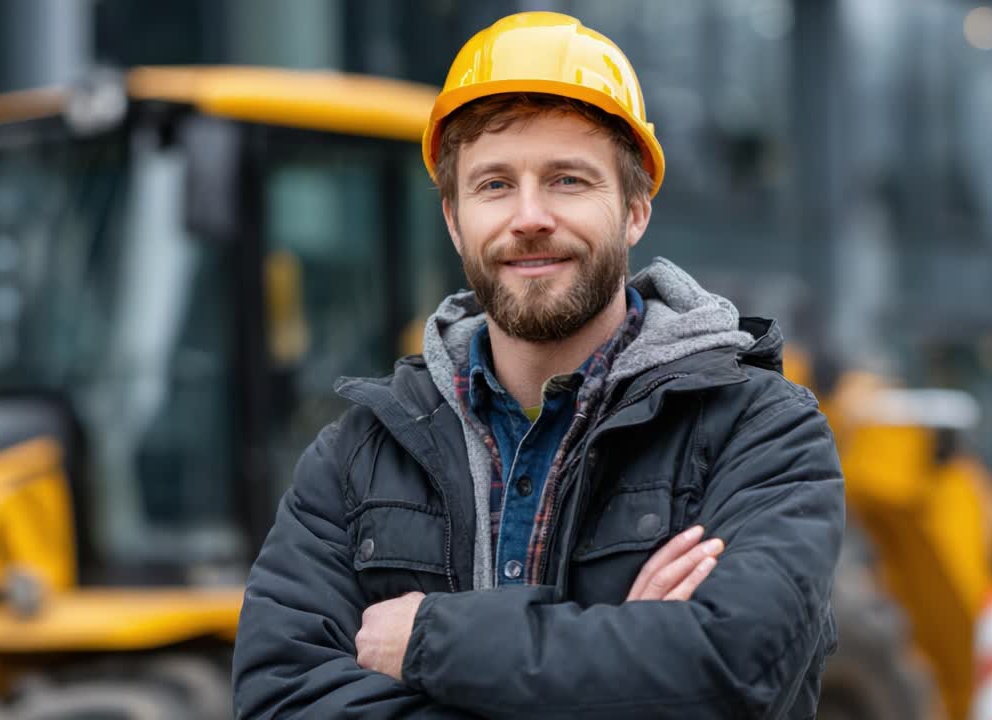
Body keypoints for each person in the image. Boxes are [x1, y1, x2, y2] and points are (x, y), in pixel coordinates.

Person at [232, 11, 844, 719]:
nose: (529, 216)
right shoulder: (355, 460)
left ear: (636, 208)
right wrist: (627, 667)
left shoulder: (759, 433)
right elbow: (279, 701)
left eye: (567, 181)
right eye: (494, 185)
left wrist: (428, 642)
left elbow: (732, 674)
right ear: (456, 221)